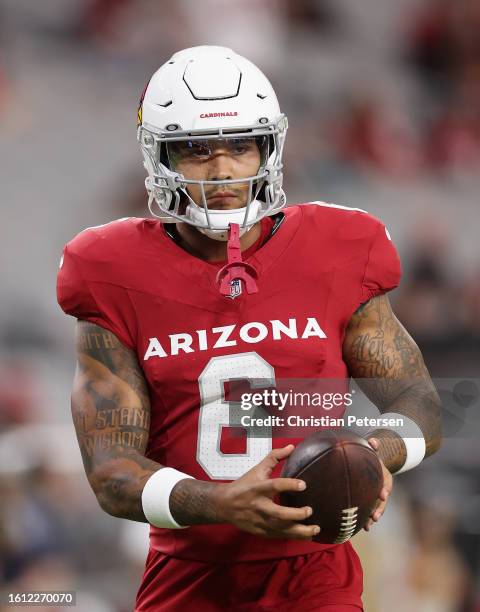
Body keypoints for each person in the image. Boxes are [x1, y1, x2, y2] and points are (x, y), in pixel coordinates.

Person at [57, 46, 442, 611]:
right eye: (195, 150)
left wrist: (371, 451)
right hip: (186, 578)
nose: (223, 170)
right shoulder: (110, 270)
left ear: (269, 146)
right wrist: (220, 502)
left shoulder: (339, 249)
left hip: (314, 576)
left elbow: (423, 405)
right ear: (159, 157)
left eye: (240, 145)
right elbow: (111, 471)